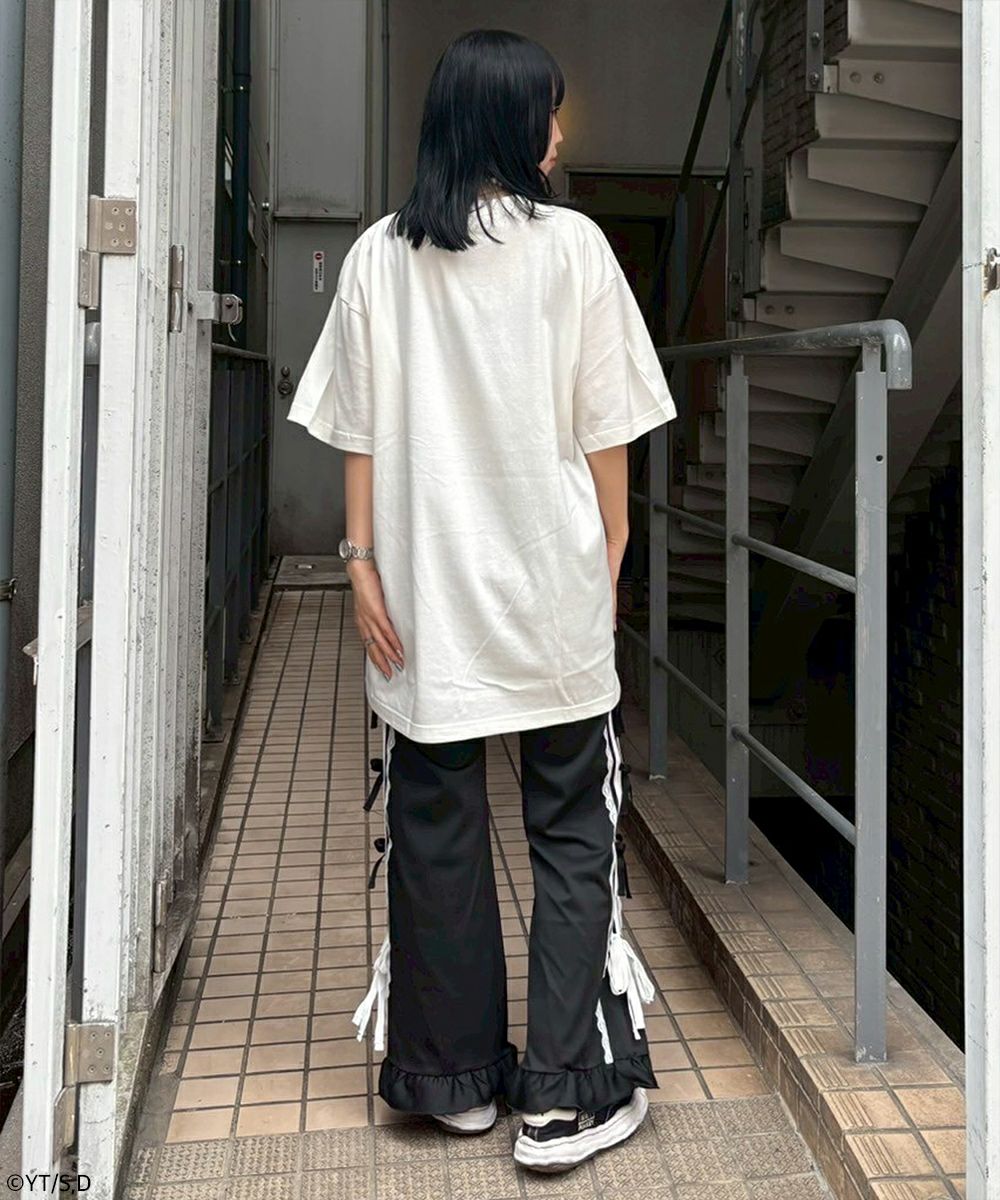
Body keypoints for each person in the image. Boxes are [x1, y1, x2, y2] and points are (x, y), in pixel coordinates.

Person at [287, 27, 677, 1174]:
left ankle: (453, 1079)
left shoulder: (380, 254)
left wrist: (360, 562)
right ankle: (561, 1099)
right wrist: (613, 546)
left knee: (436, 831)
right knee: (571, 831)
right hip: (548, 589)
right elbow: (608, 425)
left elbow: (355, 428)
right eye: (547, 110)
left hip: (423, 601)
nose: (556, 132)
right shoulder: (573, 249)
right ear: (507, 121)